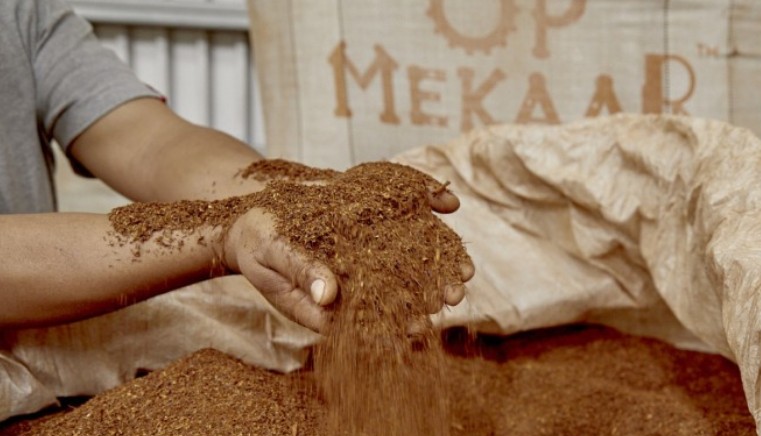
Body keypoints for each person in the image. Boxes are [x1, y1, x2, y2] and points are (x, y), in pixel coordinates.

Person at [0, 0, 472, 333]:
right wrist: (225, 233)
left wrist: (303, 196)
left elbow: (150, 142)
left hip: (44, 371)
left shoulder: (21, 12)